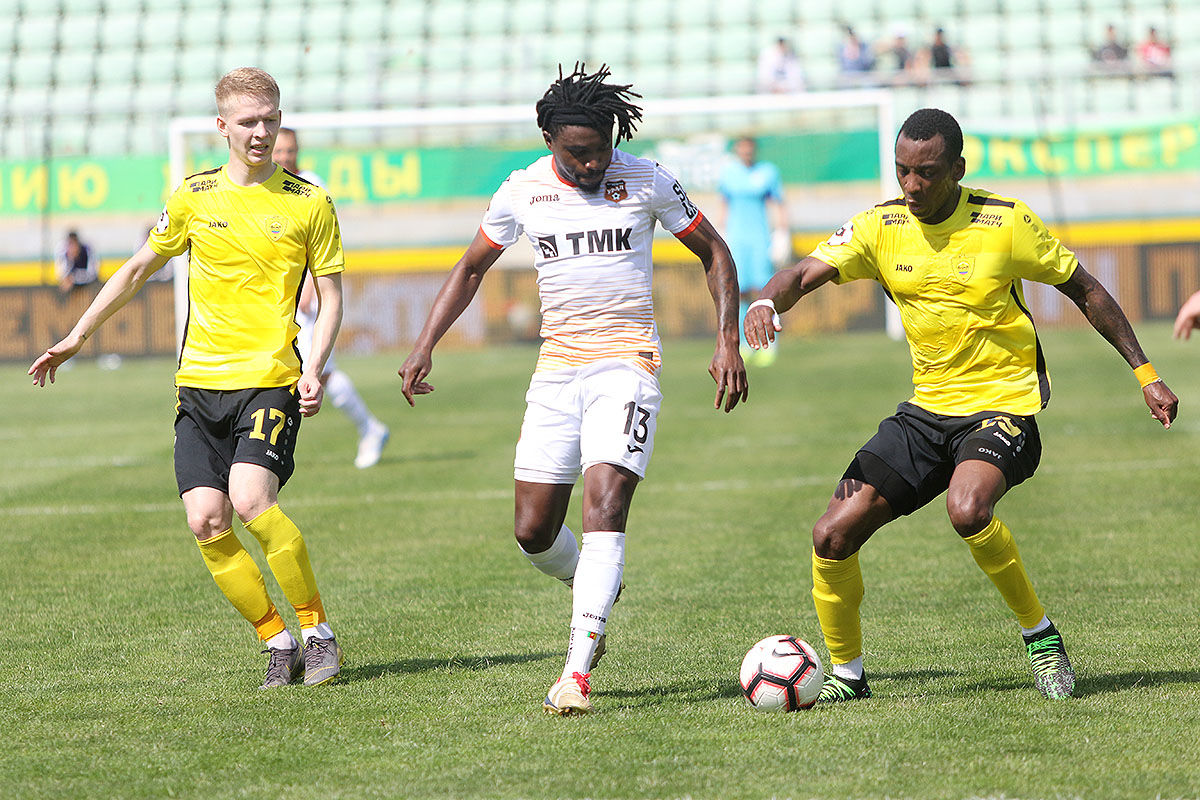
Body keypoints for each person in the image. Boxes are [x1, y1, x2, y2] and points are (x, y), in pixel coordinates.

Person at [744, 108, 1178, 703]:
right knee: (831, 534)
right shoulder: (880, 226)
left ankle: (1040, 635)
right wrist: (766, 303)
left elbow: (1085, 289)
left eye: (926, 172)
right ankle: (848, 675)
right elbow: (801, 275)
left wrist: (1146, 374)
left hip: (1004, 406)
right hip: (927, 413)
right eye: (902, 171)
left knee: (968, 508)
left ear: (958, 168)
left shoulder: (1005, 222)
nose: (912, 185)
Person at [398, 64, 748, 715]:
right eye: (578, 153)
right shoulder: (522, 190)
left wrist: (727, 339)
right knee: (533, 531)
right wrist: (424, 344)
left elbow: (715, 252)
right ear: (549, 140)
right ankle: (593, 584)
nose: (592, 165)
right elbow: (471, 268)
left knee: (605, 502)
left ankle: (576, 671)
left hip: (627, 364)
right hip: (557, 369)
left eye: (600, 151)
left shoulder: (646, 178)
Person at [29, 67, 347, 689]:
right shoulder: (193, 196)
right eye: (248, 122)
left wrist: (314, 367)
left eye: (270, 120)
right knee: (206, 518)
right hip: (197, 386)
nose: (261, 133)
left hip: (269, 379)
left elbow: (331, 295)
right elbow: (136, 269)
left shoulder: (310, 202)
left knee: (251, 500)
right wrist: (77, 335)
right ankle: (278, 642)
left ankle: (318, 633)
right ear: (222, 126)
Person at [274, 127, 390, 469]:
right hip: (279, 296)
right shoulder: (265, 186)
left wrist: (311, 289)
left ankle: (370, 429)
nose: (284, 157)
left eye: (290, 150)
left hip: (306, 297)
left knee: (317, 372)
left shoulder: (310, 186)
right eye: (279, 151)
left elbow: (320, 243)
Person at [716, 136, 788, 365]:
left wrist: (782, 232)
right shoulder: (729, 173)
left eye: (749, 149)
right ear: (737, 150)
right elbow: (724, 203)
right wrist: (721, 232)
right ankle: (746, 342)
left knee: (763, 291)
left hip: (759, 237)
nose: (746, 152)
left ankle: (769, 342)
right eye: (742, 148)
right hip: (737, 238)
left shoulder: (767, 172)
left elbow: (778, 203)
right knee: (738, 291)